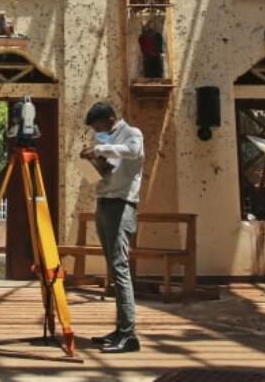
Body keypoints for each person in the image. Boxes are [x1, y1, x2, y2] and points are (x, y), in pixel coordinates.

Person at [80, 101, 144, 354]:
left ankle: (129, 335)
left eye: (98, 127)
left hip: (122, 204)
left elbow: (132, 151)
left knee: (120, 266)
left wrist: (100, 148)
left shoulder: (132, 133)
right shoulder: (105, 139)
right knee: (112, 265)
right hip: (104, 202)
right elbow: (103, 174)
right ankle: (120, 329)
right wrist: (91, 163)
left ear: (109, 119)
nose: (97, 132)